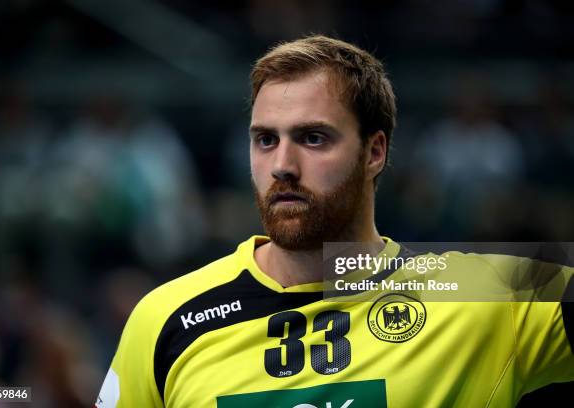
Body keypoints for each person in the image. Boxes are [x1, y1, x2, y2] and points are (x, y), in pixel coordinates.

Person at [95, 35, 573, 407]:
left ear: (375, 152)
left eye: (313, 138)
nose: (282, 164)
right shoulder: (167, 319)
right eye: (265, 140)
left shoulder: (488, 294)